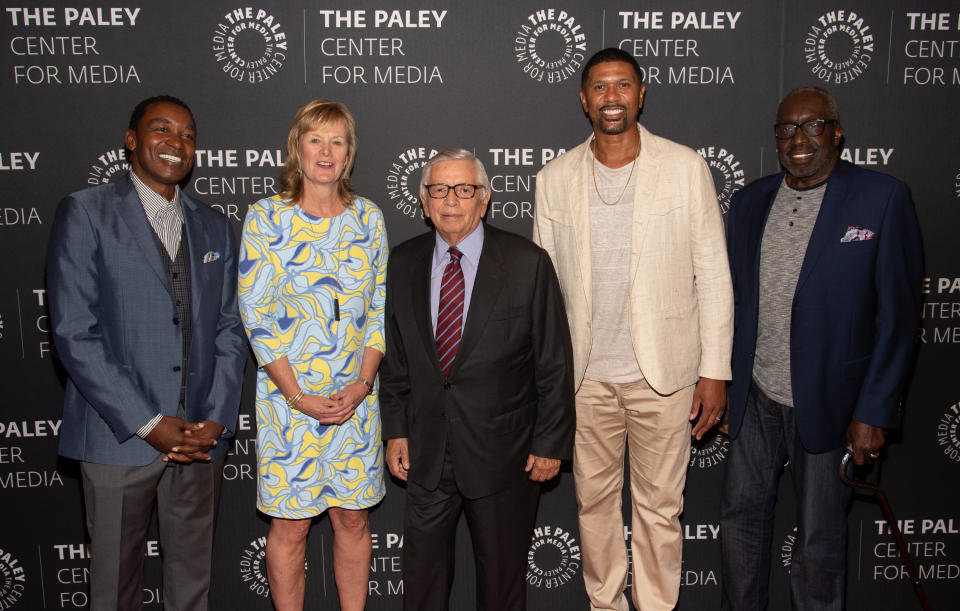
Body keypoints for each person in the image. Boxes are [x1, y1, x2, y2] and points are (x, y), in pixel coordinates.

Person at [533, 48, 734, 611]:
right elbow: (543, 296)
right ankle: (605, 604)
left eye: (623, 86)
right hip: (585, 381)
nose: (612, 97)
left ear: (641, 94)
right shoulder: (554, 179)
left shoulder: (685, 167)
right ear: (583, 99)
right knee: (593, 508)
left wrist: (714, 371)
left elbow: (714, 275)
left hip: (664, 376)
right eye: (600, 87)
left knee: (659, 509)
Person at [720, 86, 923, 610]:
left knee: (818, 542)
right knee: (740, 528)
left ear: (836, 132)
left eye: (812, 126)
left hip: (833, 403)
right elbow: (733, 301)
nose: (799, 139)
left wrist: (874, 410)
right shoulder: (748, 202)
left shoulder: (882, 198)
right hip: (756, 398)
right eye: (786, 129)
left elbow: (898, 319)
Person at [47, 95, 247, 611]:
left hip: (198, 441)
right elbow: (74, 332)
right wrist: (147, 421)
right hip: (119, 441)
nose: (176, 143)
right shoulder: (86, 212)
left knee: (192, 587)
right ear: (132, 140)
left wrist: (217, 418)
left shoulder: (216, 226)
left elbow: (229, 328)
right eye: (162, 130)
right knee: (113, 590)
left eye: (187, 134)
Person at [380, 149, 575, 610]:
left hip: (504, 456)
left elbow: (553, 361)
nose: (451, 200)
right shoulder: (402, 262)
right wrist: (396, 431)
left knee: (502, 587)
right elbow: (396, 362)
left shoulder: (527, 262)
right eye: (439, 190)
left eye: (464, 189)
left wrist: (550, 443)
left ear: (483, 199)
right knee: (422, 586)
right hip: (426, 455)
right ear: (424, 202)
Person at [238, 99, 386, 611]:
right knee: (291, 525)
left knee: (352, 519)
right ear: (297, 148)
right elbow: (256, 317)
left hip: (355, 402)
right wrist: (298, 396)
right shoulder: (265, 218)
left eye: (338, 141)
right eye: (316, 139)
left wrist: (362, 385)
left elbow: (380, 313)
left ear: (349, 154)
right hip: (288, 406)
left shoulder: (370, 219)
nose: (327, 151)